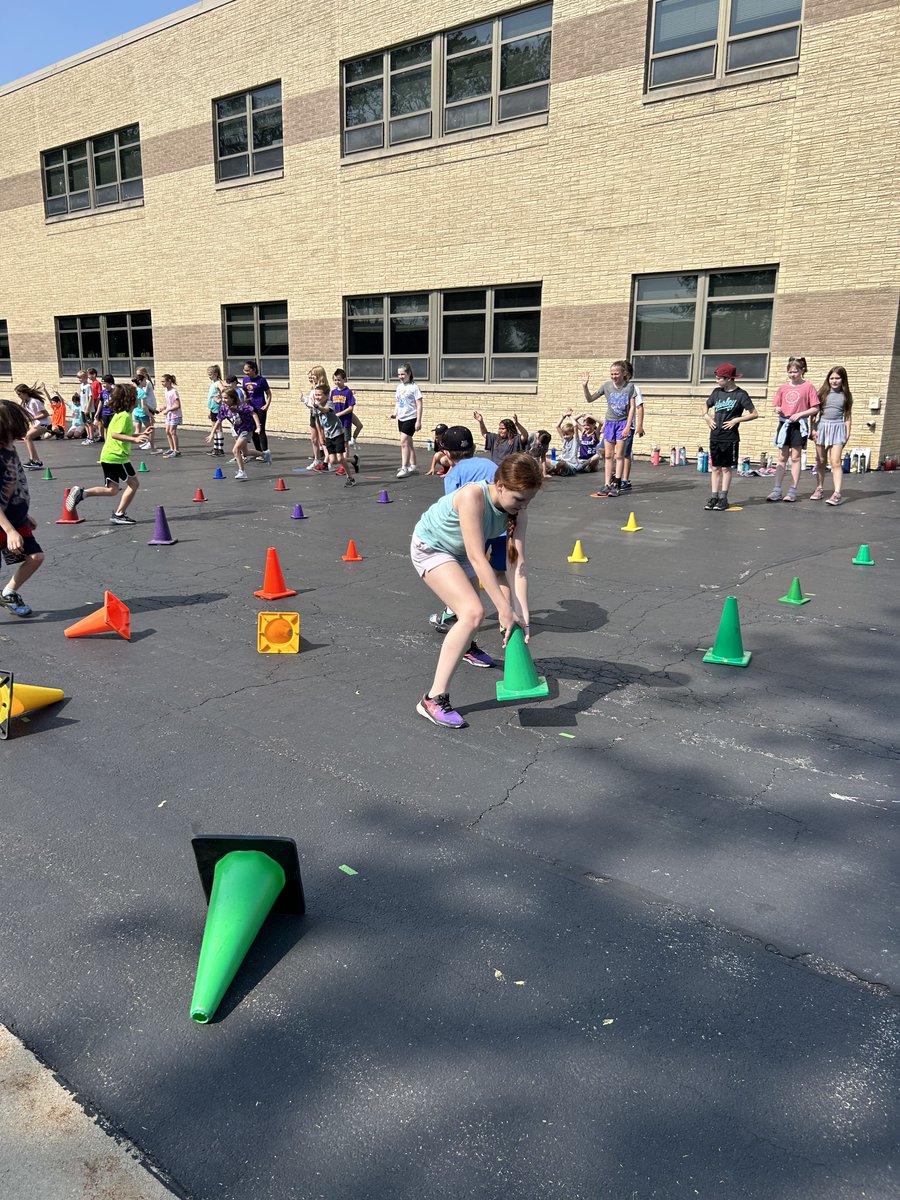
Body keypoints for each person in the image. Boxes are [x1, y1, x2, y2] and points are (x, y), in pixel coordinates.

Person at [411, 451, 542, 729]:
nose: (523, 506)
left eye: (529, 500)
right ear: (501, 485)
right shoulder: (473, 496)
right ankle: (433, 699)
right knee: (473, 612)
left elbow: (517, 567)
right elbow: (476, 557)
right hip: (432, 548)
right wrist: (505, 611)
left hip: (459, 553)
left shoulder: (519, 512)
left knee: (471, 614)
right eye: (519, 499)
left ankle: (466, 646)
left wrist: (523, 615)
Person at [65, 383, 144, 525]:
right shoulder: (125, 416)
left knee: (112, 490)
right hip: (117, 457)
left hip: (108, 456)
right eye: (136, 396)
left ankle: (82, 493)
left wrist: (139, 434)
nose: (137, 399)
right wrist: (135, 439)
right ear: (130, 399)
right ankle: (119, 514)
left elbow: (120, 433)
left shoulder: (119, 415)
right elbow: (115, 435)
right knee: (134, 484)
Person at [0, 400, 44, 618]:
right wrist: (9, 531)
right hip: (4, 524)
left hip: (16, 520)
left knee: (35, 557)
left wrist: (24, 516)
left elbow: (15, 488)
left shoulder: (11, 449)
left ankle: (8, 593)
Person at [702, 363, 758, 510]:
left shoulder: (740, 395)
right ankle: (714, 497)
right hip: (715, 435)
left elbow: (754, 413)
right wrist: (706, 416)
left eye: (719, 378)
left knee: (726, 468)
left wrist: (736, 420)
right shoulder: (716, 392)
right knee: (715, 468)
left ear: (728, 379)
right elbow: (706, 405)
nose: (716, 381)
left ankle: (723, 497)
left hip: (730, 437)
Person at [766, 356, 820, 502]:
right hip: (784, 424)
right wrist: (777, 409)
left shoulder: (808, 387)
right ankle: (777, 489)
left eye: (795, 371)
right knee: (782, 457)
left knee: (796, 458)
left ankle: (793, 490)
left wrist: (801, 414)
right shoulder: (783, 387)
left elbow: (815, 408)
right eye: (790, 372)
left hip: (798, 425)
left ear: (802, 371)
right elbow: (777, 405)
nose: (792, 375)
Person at [581, 360, 636, 496]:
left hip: (622, 423)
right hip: (610, 423)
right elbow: (590, 399)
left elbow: (632, 407)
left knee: (619, 455)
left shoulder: (629, 387)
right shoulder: (606, 386)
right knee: (608, 455)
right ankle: (606, 484)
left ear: (623, 373)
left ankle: (616, 483)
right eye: (612, 374)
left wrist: (628, 426)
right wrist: (585, 386)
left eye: (616, 373)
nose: (614, 376)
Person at [812, 366, 853, 506]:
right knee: (821, 460)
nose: (834, 381)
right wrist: (813, 429)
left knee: (835, 461)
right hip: (822, 428)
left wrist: (847, 433)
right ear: (828, 379)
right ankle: (819, 488)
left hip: (837, 428)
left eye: (837, 378)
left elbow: (847, 416)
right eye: (832, 378)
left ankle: (837, 493)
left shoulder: (846, 395)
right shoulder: (822, 393)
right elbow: (813, 414)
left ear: (843, 379)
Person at [207, 385, 260, 480]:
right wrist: (212, 433)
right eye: (222, 398)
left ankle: (242, 472)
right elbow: (219, 420)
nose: (224, 400)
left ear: (233, 398)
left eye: (226, 398)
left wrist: (258, 427)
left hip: (247, 429)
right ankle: (265, 454)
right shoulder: (224, 408)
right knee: (246, 452)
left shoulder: (241, 406)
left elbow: (254, 414)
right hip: (239, 430)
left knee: (235, 450)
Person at [313, 384, 357, 486]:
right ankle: (353, 460)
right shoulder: (316, 406)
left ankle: (350, 477)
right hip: (328, 435)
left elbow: (325, 410)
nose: (317, 397)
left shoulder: (329, 403)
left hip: (338, 433)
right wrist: (320, 435)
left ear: (326, 395)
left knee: (340, 458)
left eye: (319, 395)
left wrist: (317, 406)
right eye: (315, 395)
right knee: (332, 461)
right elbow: (318, 421)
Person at [391, 362, 423, 477]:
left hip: (411, 418)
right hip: (401, 418)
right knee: (408, 443)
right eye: (399, 374)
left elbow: (419, 404)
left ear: (409, 373)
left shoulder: (414, 387)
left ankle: (404, 468)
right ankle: (413, 466)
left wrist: (418, 421)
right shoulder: (399, 387)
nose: (400, 377)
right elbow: (398, 402)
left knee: (403, 442)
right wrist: (395, 413)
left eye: (403, 374)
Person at [619, 361, 645, 491]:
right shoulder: (617, 387)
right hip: (617, 425)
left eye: (621, 372)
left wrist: (639, 425)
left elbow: (639, 407)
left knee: (625, 453)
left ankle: (625, 480)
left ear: (627, 374)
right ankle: (617, 475)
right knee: (611, 451)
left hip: (629, 425)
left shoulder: (634, 388)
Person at [14, 384, 51, 468]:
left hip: (44, 423)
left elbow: (45, 414)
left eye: (19, 394)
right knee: (27, 438)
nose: (19, 396)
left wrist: (32, 419)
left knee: (28, 437)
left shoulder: (34, 401)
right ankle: (36, 461)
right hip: (37, 424)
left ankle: (33, 460)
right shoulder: (25, 403)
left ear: (25, 393)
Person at [243, 359, 272, 464]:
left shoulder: (261, 380)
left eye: (248, 370)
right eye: (244, 370)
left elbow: (269, 393)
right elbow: (245, 392)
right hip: (250, 408)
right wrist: (245, 400)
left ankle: (265, 452)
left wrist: (267, 405)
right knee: (253, 430)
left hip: (260, 407)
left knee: (261, 430)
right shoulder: (245, 380)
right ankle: (259, 452)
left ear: (253, 370)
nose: (246, 372)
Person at [303, 366, 328, 469]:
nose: (312, 377)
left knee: (323, 439)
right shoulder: (314, 386)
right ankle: (317, 459)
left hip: (321, 414)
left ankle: (328, 460)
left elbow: (321, 402)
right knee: (314, 439)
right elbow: (311, 401)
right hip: (313, 413)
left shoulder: (323, 387)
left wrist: (312, 403)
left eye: (314, 374)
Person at [331, 368, 363, 446]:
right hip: (337, 418)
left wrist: (339, 414)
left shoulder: (347, 391)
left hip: (346, 415)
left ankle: (353, 439)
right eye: (335, 380)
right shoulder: (333, 392)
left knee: (359, 426)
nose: (337, 382)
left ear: (344, 379)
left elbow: (350, 406)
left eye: (338, 380)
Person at [134, 367, 159, 452]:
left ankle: (149, 443)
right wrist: (151, 415)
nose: (137, 375)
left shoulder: (147, 383)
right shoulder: (140, 389)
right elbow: (143, 401)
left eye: (139, 374)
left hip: (148, 405)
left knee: (148, 427)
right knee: (150, 428)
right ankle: (150, 445)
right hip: (144, 408)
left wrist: (152, 411)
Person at [160, 373, 182, 457]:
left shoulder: (174, 391)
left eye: (163, 381)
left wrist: (168, 409)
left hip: (175, 415)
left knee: (172, 432)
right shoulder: (166, 391)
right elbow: (168, 403)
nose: (162, 383)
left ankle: (177, 450)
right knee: (167, 432)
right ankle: (172, 448)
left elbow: (177, 405)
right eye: (161, 381)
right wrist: (163, 407)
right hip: (169, 415)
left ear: (169, 381)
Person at [206, 365, 225, 456]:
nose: (209, 376)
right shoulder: (213, 383)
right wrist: (210, 410)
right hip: (213, 408)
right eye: (208, 374)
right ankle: (215, 447)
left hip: (217, 408)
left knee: (217, 428)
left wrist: (220, 398)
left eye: (210, 374)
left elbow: (224, 391)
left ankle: (219, 449)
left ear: (216, 374)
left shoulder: (218, 383)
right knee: (214, 427)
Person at [76, 370, 96, 443]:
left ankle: (92, 438)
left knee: (89, 423)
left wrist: (87, 407)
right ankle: (88, 436)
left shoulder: (88, 386)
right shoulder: (81, 385)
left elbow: (90, 397)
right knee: (85, 423)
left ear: (85, 378)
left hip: (89, 409)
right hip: (82, 408)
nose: (79, 380)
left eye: (80, 378)